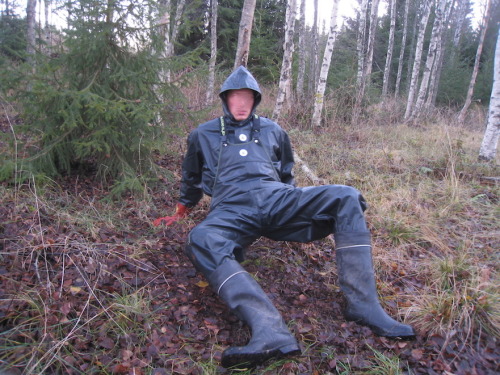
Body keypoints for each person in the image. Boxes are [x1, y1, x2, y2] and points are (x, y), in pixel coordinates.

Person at [154, 66, 415, 368]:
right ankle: (269, 330)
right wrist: (181, 210)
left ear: (256, 100)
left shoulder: (273, 130)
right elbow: (191, 177)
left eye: (248, 98)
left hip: (276, 197)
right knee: (201, 238)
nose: (241, 104)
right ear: (225, 99)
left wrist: (293, 207)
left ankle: (364, 306)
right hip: (230, 207)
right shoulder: (203, 134)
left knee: (346, 195)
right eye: (235, 97)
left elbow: (287, 173)